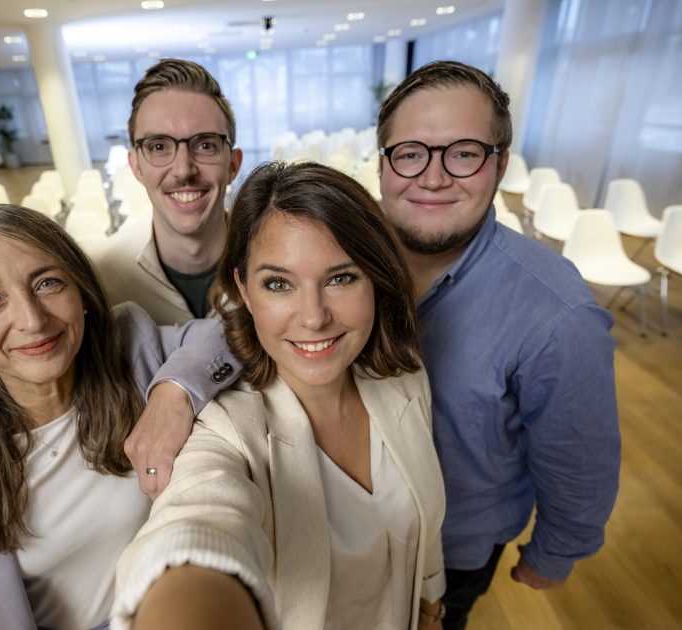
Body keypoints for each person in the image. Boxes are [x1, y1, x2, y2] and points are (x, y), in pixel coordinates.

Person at [0, 204, 238, 630]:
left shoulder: (133, 346)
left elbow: (234, 332)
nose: (32, 320)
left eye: (47, 283)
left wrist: (173, 393)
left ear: (81, 292)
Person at [113, 162, 447, 630]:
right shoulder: (225, 432)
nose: (313, 317)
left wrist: (431, 605)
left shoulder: (403, 377)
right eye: (278, 284)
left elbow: (424, 524)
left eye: (341, 278)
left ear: (377, 277)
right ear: (244, 292)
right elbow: (197, 522)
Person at [376, 61, 621, 628]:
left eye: (463, 153)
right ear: (384, 162)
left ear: (500, 165)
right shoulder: (340, 252)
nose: (433, 178)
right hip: (343, 529)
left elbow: (578, 455)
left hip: (454, 550)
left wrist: (555, 552)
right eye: (410, 153)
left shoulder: (559, 313)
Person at [93, 59, 243, 326]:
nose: (183, 170)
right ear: (136, 167)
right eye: (159, 147)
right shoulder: (99, 277)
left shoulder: (277, 263)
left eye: (205, 145)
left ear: (233, 164)